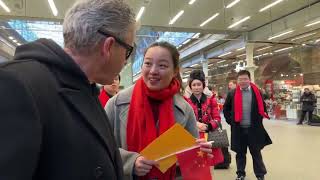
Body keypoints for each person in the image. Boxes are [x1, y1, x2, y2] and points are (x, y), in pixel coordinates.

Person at [0, 0, 136, 179]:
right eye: (128, 51)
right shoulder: (17, 84)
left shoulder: (85, 87)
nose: (126, 61)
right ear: (108, 46)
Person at [105, 42, 213, 180]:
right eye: (148, 63)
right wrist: (130, 162)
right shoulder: (117, 104)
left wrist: (199, 152)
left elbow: (191, 158)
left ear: (174, 71)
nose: (153, 71)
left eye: (162, 65)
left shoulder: (184, 109)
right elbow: (99, 149)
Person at [223, 70, 272, 180]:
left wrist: (259, 120)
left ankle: (260, 175)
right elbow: (226, 108)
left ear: (249, 80)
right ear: (237, 81)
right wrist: (230, 121)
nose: (243, 81)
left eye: (245, 79)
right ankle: (240, 174)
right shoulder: (232, 93)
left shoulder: (257, 92)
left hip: (253, 129)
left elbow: (262, 107)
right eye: (240, 79)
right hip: (238, 129)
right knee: (240, 153)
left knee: (256, 153)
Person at [185, 70, 224, 166]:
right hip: (192, 137)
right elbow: (183, 120)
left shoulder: (211, 100)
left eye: (199, 84)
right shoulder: (185, 101)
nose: (196, 87)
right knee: (194, 166)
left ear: (203, 85)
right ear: (190, 86)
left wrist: (207, 126)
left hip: (208, 136)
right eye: (194, 85)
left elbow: (217, 119)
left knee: (209, 165)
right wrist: (196, 124)